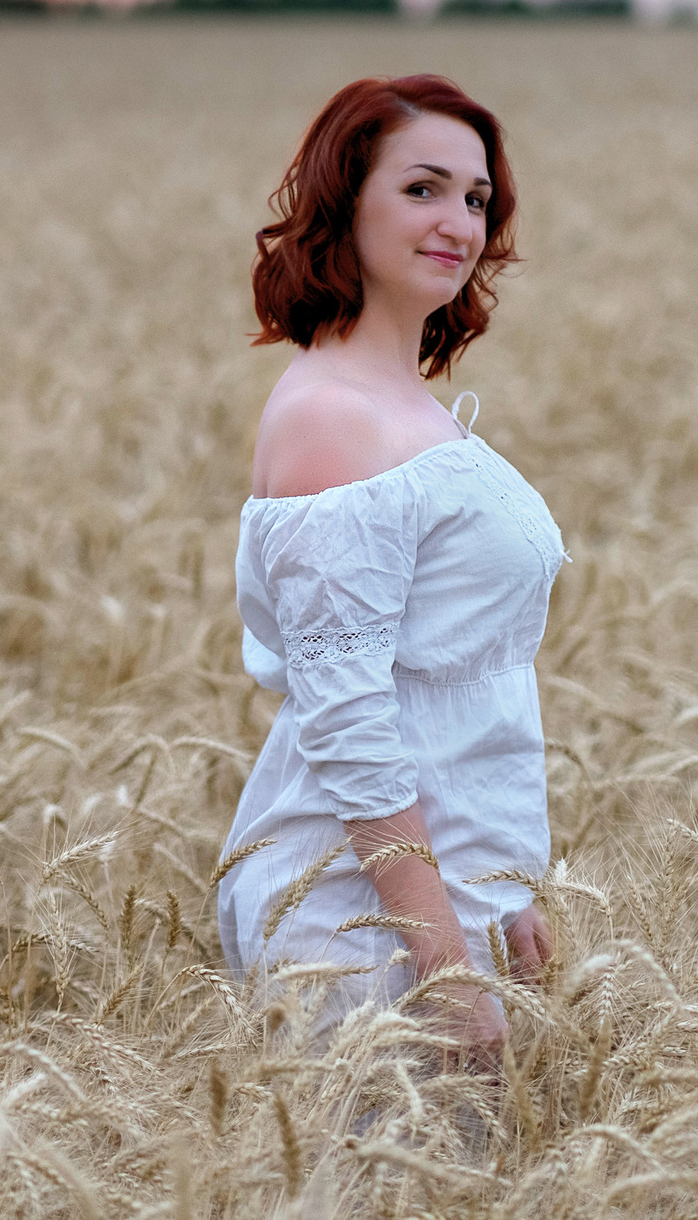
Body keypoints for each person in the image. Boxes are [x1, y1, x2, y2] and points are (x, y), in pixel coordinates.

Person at [216, 73, 569, 1066]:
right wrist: (445, 957)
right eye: (421, 189)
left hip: (443, 897)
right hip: (358, 919)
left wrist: (505, 884)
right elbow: (350, 717)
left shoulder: (402, 400)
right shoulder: (332, 415)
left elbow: (459, 679)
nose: (456, 220)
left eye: (474, 197)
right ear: (345, 204)